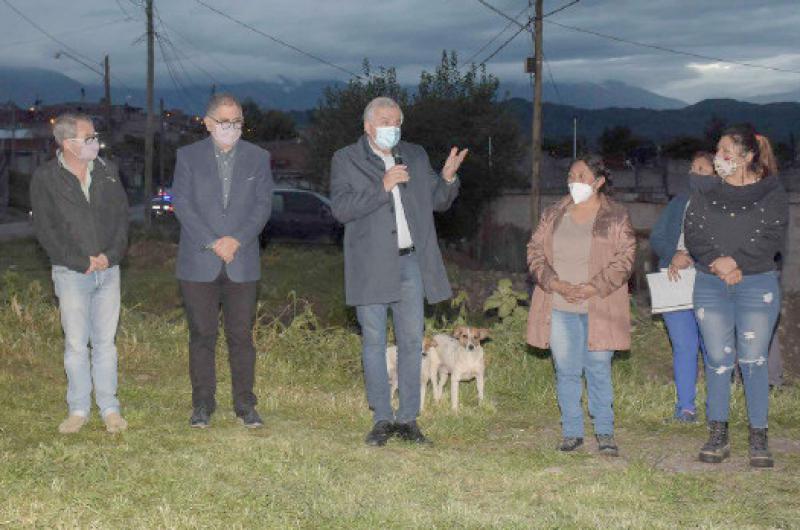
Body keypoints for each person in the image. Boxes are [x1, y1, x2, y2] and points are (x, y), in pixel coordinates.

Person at [330, 96, 466, 446]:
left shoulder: (415, 155)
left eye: (396, 121)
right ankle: (381, 418)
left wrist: (448, 179)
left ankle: (408, 419)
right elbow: (341, 209)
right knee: (374, 343)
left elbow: (436, 201)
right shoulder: (346, 159)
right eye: (384, 120)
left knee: (410, 342)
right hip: (370, 265)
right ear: (368, 126)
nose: (392, 126)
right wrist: (382, 187)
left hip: (411, 262)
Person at [685, 124, 788, 468]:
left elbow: (771, 236)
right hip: (711, 283)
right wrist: (718, 263)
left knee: (754, 362)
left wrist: (737, 262)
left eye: (726, 151)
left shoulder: (771, 192)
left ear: (746, 157)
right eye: (717, 150)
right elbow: (694, 233)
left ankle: (758, 438)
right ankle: (718, 435)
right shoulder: (703, 190)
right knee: (717, 361)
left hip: (756, 284)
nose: (719, 157)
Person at [172, 93, 274, 429]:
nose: (231, 128)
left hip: (242, 260)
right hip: (199, 260)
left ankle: (245, 404)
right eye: (224, 122)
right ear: (208, 122)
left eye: (237, 122)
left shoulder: (258, 157)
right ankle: (202, 404)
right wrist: (213, 242)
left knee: (241, 336)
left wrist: (237, 240)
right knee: (202, 335)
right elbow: (182, 204)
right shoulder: (187, 156)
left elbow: (262, 206)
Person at [527, 155, 636, 456]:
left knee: (599, 368)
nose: (574, 180)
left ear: (599, 182)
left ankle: (604, 431)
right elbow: (535, 251)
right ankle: (572, 431)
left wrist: (592, 286)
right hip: (559, 304)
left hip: (600, 304)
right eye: (571, 174)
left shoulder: (617, 216)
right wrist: (555, 283)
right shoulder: (553, 213)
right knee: (567, 370)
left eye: (581, 175)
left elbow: (625, 259)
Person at [30, 113, 129, 434]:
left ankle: (110, 408)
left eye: (94, 136)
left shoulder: (107, 172)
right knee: (76, 344)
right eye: (88, 138)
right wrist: (80, 260)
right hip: (72, 273)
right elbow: (47, 230)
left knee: (105, 343)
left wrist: (110, 255)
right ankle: (78, 409)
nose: (95, 142)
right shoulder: (46, 178)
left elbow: (122, 220)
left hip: (108, 270)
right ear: (67, 143)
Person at [649, 152, 713, 423]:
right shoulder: (679, 202)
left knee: (713, 346)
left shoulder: (724, 205)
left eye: (702, 169)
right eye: (692, 168)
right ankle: (685, 408)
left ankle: (716, 408)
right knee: (684, 346)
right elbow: (657, 235)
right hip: (675, 282)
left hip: (709, 283)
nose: (694, 173)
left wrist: (696, 259)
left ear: (717, 173)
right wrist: (673, 253)